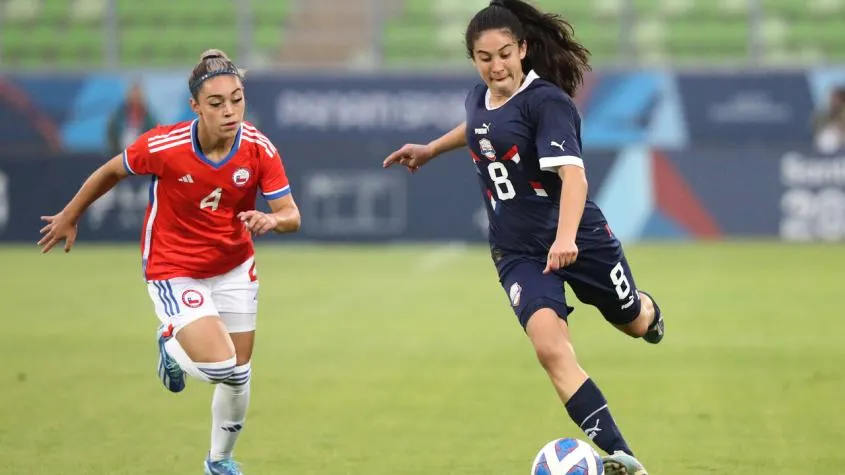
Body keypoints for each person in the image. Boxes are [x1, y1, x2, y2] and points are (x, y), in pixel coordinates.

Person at [382, 1, 661, 474]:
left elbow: (574, 179)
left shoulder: (546, 102)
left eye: (505, 54)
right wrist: (430, 149)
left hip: (579, 239)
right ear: (473, 59)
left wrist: (566, 238)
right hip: (517, 253)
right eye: (485, 57)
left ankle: (647, 309)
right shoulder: (477, 97)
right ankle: (623, 458)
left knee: (632, 321)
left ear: (523, 49)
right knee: (551, 348)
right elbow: (478, 127)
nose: (496, 66)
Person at [38, 49, 301, 475]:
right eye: (216, 103)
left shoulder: (257, 148)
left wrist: (272, 219)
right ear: (195, 106)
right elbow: (111, 170)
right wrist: (71, 214)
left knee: (239, 373)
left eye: (237, 99)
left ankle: (219, 462)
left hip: (234, 266)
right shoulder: (165, 144)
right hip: (174, 270)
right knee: (220, 366)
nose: (230, 111)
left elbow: (293, 215)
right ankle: (172, 348)